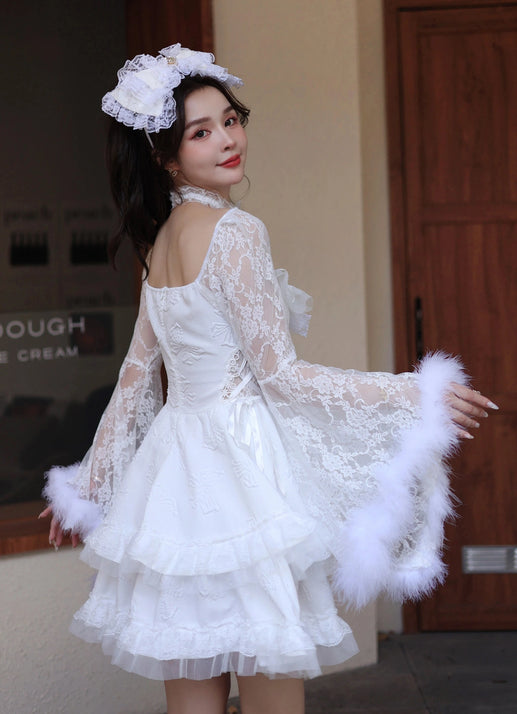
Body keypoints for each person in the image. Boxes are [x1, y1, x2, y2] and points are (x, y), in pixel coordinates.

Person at [39, 45, 497, 714]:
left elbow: (135, 376)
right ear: (166, 156)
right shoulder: (235, 232)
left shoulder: (159, 242)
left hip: (175, 481)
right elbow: (280, 378)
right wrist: (410, 390)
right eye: (201, 132)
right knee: (271, 693)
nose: (228, 140)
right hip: (243, 473)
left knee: (193, 692)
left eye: (231, 120)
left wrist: (88, 483)